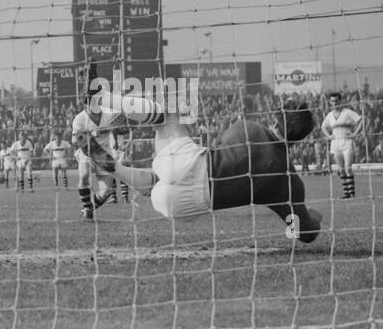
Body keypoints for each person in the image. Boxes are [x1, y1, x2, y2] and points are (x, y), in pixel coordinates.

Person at [79, 73, 322, 241]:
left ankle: (103, 98)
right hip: (181, 207)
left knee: (167, 115)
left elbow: (216, 149)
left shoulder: (249, 128)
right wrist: (314, 216)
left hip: (190, 165)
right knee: (157, 182)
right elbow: (305, 234)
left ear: (275, 118)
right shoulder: (289, 182)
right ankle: (118, 169)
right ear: (301, 139)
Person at [321, 92, 363, 199]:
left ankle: (352, 193)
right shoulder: (330, 115)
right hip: (335, 144)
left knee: (348, 168)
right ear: (330, 102)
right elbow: (323, 127)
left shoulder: (347, 112)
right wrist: (329, 136)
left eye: (337, 101)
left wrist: (354, 134)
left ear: (340, 101)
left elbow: (361, 120)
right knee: (341, 169)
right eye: (333, 101)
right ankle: (346, 193)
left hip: (347, 142)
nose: (335, 103)